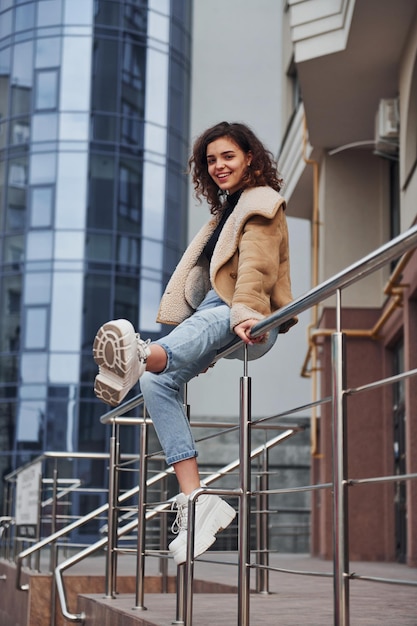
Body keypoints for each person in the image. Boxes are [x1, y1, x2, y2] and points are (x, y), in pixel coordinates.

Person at [93, 121, 297, 565]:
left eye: (228, 156)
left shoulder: (262, 203)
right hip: (211, 316)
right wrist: (195, 346)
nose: (219, 166)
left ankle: (142, 353)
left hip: (249, 314)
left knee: (164, 353)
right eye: (211, 160)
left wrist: (245, 312)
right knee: (155, 385)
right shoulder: (225, 212)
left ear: (249, 158)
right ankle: (195, 498)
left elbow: (256, 269)